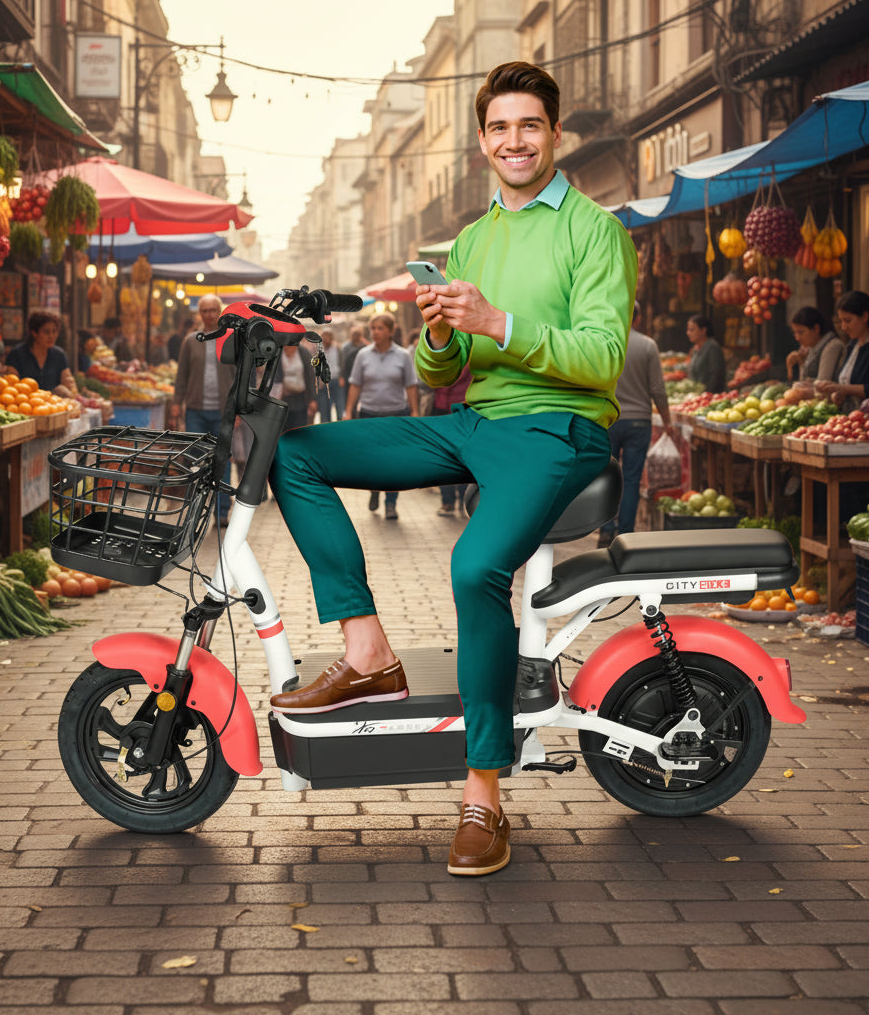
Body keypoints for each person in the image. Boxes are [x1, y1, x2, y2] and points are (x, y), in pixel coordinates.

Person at [268, 61, 636, 876]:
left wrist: (498, 321)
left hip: (557, 431)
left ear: (554, 134)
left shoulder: (593, 229)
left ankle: (483, 792)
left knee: (474, 567)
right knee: (294, 454)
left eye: (530, 125)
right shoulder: (470, 238)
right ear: (482, 141)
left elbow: (605, 356)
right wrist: (439, 333)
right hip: (468, 423)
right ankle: (367, 653)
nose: (515, 140)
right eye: (500, 127)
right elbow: (442, 374)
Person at [597, 301, 675, 545]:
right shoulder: (648, 345)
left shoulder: (603, 343)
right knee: (631, 479)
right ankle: (625, 533)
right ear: (638, 318)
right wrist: (667, 420)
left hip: (608, 420)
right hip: (639, 422)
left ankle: (606, 529)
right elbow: (657, 389)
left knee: (606, 475)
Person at [345, 313, 420, 520]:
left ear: (390, 331)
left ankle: (391, 503)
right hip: (368, 414)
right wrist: (348, 411)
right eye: (372, 328)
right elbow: (355, 384)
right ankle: (374, 489)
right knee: (370, 459)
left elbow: (411, 386)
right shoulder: (363, 355)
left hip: (396, 414)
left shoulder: (403, 355)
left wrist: (414, 412)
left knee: (393, 462)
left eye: (379, 328)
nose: (375, 332)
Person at [170, 294, 235, 524]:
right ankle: (198, 508)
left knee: (222, 460)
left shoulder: (231, 339)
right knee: (196, 462)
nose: (209, 315)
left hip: (222, 412)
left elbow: (240, 376)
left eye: (213, 310)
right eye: (204, 310)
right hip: (195, 411)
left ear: (220, 312)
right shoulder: (191, 341)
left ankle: (222, 510)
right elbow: (182, 376)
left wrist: (239, 410)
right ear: (200, 314)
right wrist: (177, 403)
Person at [814, 291, 869, 410]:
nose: (843, 327)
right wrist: (838, 394)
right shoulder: (852, 345)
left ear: (865, 316)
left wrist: (844, 389)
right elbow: (846, 382)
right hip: (849, 418)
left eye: (848, 321)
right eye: (841, 321)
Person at [5, 311, 78, 396]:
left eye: (54, 331)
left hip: (54, 405)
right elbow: (11, 385)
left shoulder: (59, 355)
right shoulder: (17, 354)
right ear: (34, 333)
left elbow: (68, 381)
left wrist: (72, 391)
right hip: (25, 404)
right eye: (46, 332)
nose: (51, 336)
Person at [431, 366, 472, 515]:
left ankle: (459, 500)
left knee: (460, 458)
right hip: (444, 410)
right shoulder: (445, 357)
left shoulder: (473, 357)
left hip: (464, 411)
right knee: (446, 457)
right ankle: (451, 501)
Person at [786, 306, 845, 383]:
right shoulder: (810, 348)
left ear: (816, 328)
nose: (797, 338)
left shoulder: (833, 346)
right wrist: (799, 363)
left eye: (801, 332)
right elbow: (803, 380)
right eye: (795, 333)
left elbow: (822, 383)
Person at [276, 340, 317, 431]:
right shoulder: (278, 354)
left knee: (299, 428)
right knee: (284, 429)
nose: (287, 351)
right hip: (284, 398)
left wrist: (312, 399)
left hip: (301, 397)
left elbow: (310, 376)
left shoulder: (303, 353)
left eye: (290, 348)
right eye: (286, 349)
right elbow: (276, 378)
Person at [686, 314, 726, 392]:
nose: (688, 333)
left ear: (703, 330)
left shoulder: (712, 347)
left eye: (692, 329)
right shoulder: (695, 349)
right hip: (697, 395)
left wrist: (706, 394)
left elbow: (716, 375)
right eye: (688, 330)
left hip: (710, 396)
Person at [316, 329, 343, 422]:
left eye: (328, 336)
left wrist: (342, 377)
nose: (326, 339)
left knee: (340, 409)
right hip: (323, 383)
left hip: (336, 381)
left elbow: (342, 363)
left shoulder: (337, 348)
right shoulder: (318, 351)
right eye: (324, 336)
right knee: (324, 411)